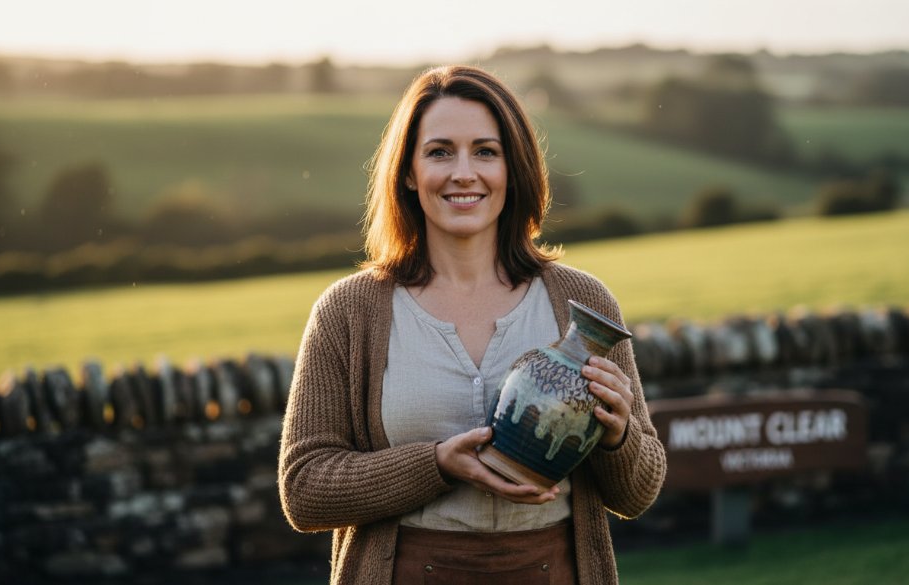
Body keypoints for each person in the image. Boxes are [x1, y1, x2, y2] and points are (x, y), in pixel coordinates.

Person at [277, 65, 666, 585]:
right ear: (409, 173)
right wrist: (437, 465)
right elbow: (303, 490)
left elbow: (637, 495)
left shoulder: (581, 302)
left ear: (514, 168)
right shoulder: (348, 312)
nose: (464, 172)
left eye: (486, 151)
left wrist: (619, 438)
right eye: (440, 152)